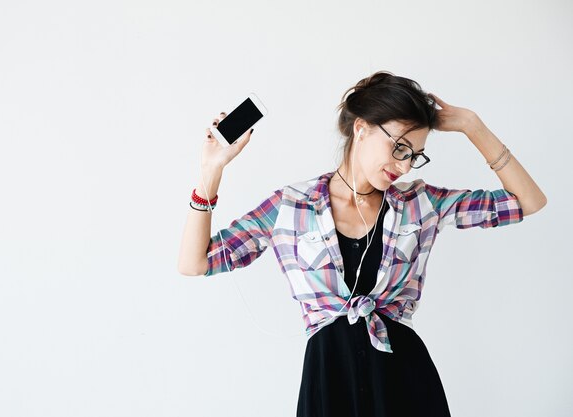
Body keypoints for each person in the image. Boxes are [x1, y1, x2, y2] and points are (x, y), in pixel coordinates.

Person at [177, 71, 547, 417]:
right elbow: (195, 262)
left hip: (406, 383)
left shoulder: (421, 203)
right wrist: (212, 170)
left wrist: (471, 126)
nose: (404, 167)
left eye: (414, 156)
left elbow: (528, 201)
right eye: (400, 148)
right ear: (362, 129)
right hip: (328, 382)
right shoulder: (290, 207)